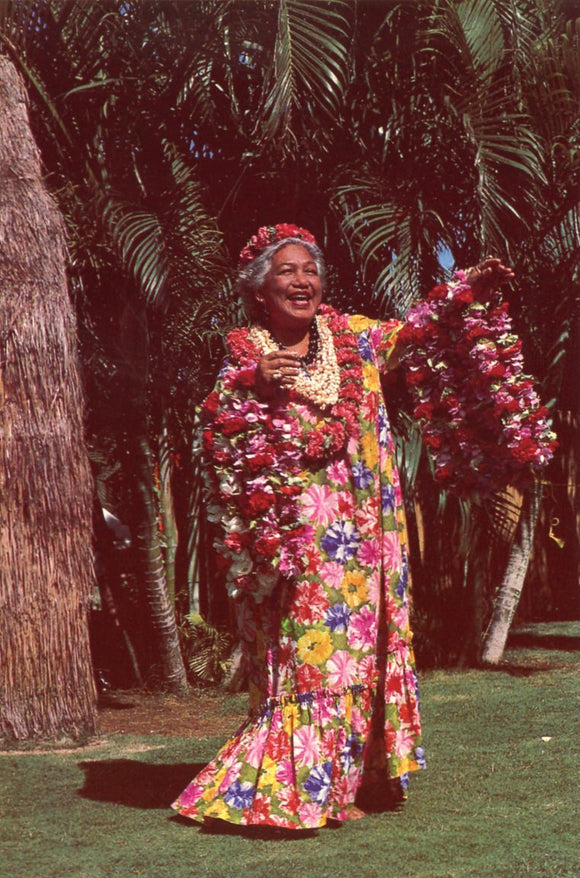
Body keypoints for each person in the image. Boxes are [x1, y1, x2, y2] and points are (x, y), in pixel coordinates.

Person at [171, 223, 521, 831]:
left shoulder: (353, 340)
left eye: (310, 270)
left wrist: (464, 290)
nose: (302, 281)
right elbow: (220, 436)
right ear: (259, 291)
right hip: (300, 540)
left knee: (358, 654)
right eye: (287, 271)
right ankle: (302, 782)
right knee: (311, 655)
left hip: (368, 535)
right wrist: (254, 385)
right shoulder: (246, 360)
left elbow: (415, 331)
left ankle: (349, 779)